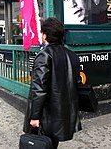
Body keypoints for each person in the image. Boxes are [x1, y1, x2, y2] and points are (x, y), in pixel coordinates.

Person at [23, 18, 82, 149]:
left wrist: (34, 116)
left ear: (44, 35)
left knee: (41, 144)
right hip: (62, 113)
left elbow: (39, 89)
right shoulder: (72, 55)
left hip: (46, 114)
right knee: (52, 144)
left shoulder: (44, 55)